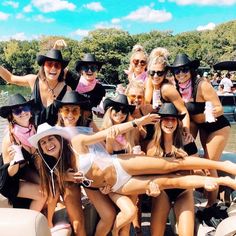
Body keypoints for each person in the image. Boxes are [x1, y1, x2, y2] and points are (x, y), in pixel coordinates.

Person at [169, 53, 231, 207]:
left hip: (217, 127)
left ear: (190, 70)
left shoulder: (202, 85)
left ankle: (211, 204)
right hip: (200, 127)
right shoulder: (175, 87)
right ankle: (200, 193)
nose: (181, 74)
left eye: (184, 70)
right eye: (177, 71)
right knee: (189, 157)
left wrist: (214, 111)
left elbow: (219, 108)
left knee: (210, 165)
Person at [56, 90, 116, 235]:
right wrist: (64, 176)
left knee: (109, 215)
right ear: (60, 111)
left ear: (81, 112)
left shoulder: (89, 125)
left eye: (75, 110)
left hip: (88, 177)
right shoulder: (54, 132)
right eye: (66, 110)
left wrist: (105, 180)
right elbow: (47, 165)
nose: (70, 114)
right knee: (77, 223)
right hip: (67, 178)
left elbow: (104, 153)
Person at [147, 103, 197, 236]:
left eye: (173, 119)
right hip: (163, 191)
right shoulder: (153, 146)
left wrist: (188, 155)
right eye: (166, 119)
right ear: (160, 122)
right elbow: (149, 174)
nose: (170, 123)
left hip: (184, 191)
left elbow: (198, 169)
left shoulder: (187, 141)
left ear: (178, 122)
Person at [0, 49, 71, 126]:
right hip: (32, 134)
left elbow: (70, 116)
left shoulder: (67, 89)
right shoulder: (33, 80)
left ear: (61, 69)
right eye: (49, 64)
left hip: (53, 135)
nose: (53, 68)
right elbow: (10, 78)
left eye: (57, 65)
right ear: (43, 66)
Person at [0, 93, 46, 210]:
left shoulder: (35, 129)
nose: (23, 112)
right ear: (12, 116)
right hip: (8, 180)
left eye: (25, 108)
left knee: (47, 186)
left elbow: (35, 158)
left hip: (24, 170)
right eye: (17, 111)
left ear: (30, 111)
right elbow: (9, 174)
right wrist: (14, 162)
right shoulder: (10, 139)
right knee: (42, 194)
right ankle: (31, 224)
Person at [145, 48, 193, 148]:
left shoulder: (167, 89)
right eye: (152, 72)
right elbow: (145, 107)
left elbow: (183, 111)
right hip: (154, 130)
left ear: (166, 73)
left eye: (160, 73)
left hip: (169, 131)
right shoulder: (149, 84)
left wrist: (186, 132)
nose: (155, 76)